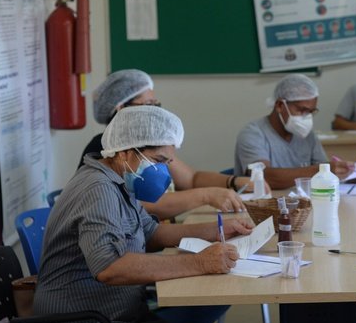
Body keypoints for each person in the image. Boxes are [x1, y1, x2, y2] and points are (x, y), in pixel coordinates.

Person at [34, 106, 254, 323]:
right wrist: (200, 262)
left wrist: (217, 231)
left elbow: (153, 233)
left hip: (118, 316)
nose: (164, 171)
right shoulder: (97, 190)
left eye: (168, 163)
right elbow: (109, 267)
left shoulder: (118, 182)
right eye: (159, 161)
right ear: (126, 152)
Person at [81, 69, 268, 220]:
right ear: (121, 109)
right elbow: (144, 204)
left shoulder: (149, 144)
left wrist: (233, 182)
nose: (153, 111)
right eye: (147, 104)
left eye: (155, 104)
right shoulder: (107, 150)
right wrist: (207, 196)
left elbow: (191, 178)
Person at [234, 73, 356, 189]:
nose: (306, 117)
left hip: (304, 207)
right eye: (302, 110)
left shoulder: (306, 135)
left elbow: (325, 174)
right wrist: (322, 170)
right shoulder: (253, 134)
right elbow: (263, 177)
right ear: (280, 105)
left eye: (311, 111)